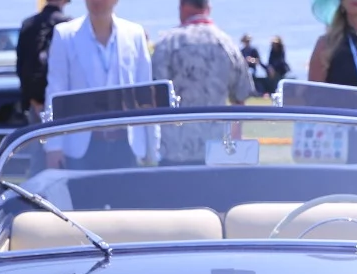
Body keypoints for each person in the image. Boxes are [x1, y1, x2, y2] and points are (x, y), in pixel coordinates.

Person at [44, 0, 153, 170]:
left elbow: (145, 92)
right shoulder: (65, 34)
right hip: (82, 147)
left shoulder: (134, 34)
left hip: (126, 145)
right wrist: (53, 147)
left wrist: (152, 146)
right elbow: (55, 92)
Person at [151, 0, 251, 165]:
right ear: (208, 9)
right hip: (217, 151)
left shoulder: (167, 43)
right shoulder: (227, 44)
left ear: (182, 7)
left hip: (175, 151)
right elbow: (240, 99)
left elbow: (154, 96)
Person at [16, 0, 68, 113]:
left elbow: (20, 65)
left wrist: (32, 98)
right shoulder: (68, 27)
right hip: (61, 101)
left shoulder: (28, 24)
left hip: (33, 101)